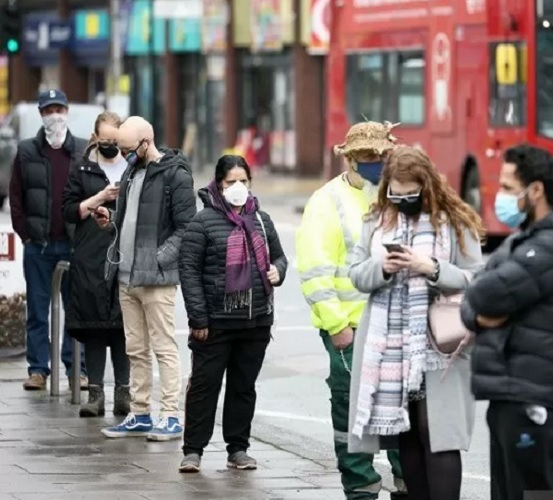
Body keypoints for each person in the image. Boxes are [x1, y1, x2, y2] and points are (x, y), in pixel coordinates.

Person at [460, 144, 553, 500]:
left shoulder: (552, 247)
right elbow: (474, 301)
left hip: (533, 396)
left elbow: (482, 294)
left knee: (531, 493)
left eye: (509, 188)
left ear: (535, 190)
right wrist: (478, 314)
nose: (501, 196)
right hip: (510, 391)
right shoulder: (527, 240)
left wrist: (477, 308)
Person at [347, 145, 484, 500]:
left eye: (411, 192)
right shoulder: (375, 220)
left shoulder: (455, 221)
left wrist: (433, 268)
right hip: (391, 346)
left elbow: (477, 278)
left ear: (427, 185)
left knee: (437, 432)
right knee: (405, 431)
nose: (403, 199)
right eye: (396, 191)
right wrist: (384, 269)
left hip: (441, 343)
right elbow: (356, 274)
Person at [296, 121, 408, 500]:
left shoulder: (399, 195)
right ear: (350, 159)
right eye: (368, 156)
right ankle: (361, 486)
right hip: (351, 329)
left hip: (395, 326)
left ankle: (407, 480)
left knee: (400, 408)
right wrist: (337, 326)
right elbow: (316, 271)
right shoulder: (327, 202)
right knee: (350, 410)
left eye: (381, 154)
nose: (376, 161)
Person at [177, 155, 288, 472]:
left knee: (243, 387)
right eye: (231, 182)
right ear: (218, 184)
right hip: (215, 322)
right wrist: (198, 319)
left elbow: (279, 258)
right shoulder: (202, 223)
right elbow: (190, 272)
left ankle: (238, 449)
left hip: (256, 320)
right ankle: (193, 450)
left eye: (243, 181)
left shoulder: (262, 221)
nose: (238, 187)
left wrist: (278, 272)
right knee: (204, 385)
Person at [94, 116, 197, 441]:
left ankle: (170, 416)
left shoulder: (175, 175)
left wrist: (157, 259)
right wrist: (111, 219)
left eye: (127, 149)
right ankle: (140, 413)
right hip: (127, 276)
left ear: (146, 142)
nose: (122, 155)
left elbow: (187, 228)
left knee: (164, 348)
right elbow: (132, 219)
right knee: (136, 349)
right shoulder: (132, 170)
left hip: (156, 279)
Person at [9, 89, 88, 391]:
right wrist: (26, 234)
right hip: (38, 246)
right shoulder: (27, 150)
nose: (55, 115)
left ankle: (75, 369)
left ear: (67, 112)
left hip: (71, 245)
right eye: (48, 110)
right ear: (41, 115)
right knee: (38, 310)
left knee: (74, 310)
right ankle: (38, 369)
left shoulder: (81, 150)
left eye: (59, 109)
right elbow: (16, 197)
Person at [62, 111, 130, 417]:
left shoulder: (133, 166)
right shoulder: (83, 167)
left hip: (124, 252)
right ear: (95, 138)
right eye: (104, 141)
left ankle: (123, 394)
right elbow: (67, 210)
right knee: (94, 327)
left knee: (123, 328)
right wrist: (100, 197)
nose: (110, 146)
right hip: (90, 254)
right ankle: (95, 395)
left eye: (115, 141)